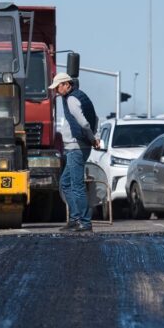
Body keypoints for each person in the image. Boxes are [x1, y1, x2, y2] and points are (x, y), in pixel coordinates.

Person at [50, 72, 100, 233]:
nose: (56, 91)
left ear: (66, 84)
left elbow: (84, 124)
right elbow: (95, 118)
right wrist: (94, 137)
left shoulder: (71, 100)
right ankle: (74, 219)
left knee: (76, 186)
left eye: (57, 88)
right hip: (79, 147)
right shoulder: (80, 96)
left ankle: (84, 222)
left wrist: (92, 138)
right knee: (65, 183)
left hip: (76, 148)